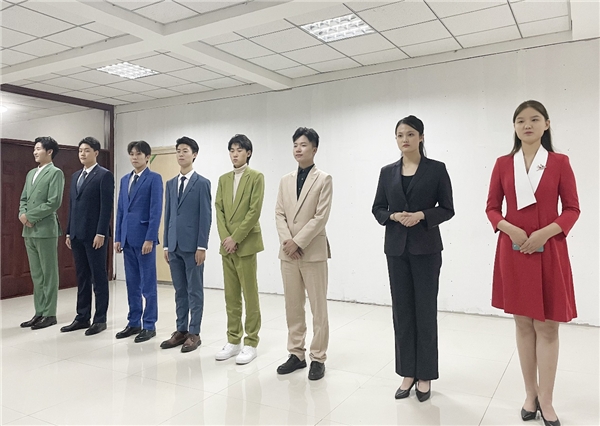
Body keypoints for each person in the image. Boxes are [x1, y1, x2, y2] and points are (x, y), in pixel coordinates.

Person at [486, 100, 579, 426]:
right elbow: (492, 208)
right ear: (514, 127)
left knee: (548, 326)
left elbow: (572, 209)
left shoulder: (559, 162)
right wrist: (509, 228)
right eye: (521, 121)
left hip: (549, 248)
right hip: (513, 250)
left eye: (534, 119)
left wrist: (544, 233)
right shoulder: (503, 164)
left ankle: (547, 401)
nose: (527, 125)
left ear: (546, 124)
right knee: (523, 323)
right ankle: (530, 394)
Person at [372, 115, 454, 401]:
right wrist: (393, 216)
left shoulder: (436, 169)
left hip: (426, 249)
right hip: (396, 250)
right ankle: (407, 372)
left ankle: (425, 374)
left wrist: (421, 215)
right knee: (402, 312)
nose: (404, 139)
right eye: (400, 135)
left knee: (425, 311)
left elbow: (447, 208)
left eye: (410, 134)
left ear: (421, 137)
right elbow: (378, 209)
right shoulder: (387, 172)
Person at [275, 127, 333, 381]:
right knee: (293, 306)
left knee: (318, 307)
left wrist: (298, 242)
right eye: (295, 145)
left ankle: (318, 357)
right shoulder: (285, 180)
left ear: (314, 149)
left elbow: (321, 217)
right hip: (288, 253)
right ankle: (296, 354)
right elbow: (279, 213)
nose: (298, 149)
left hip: (312, 252)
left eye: (304, 145)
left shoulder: (324, 179)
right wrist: (287, 242)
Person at [214, 134, 265, 364]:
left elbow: (254, 211)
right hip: (227, 246)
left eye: (239, 150)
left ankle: (251, 342)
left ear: (248, 153)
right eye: (232, 150)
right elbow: (219, 209)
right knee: (231, 295)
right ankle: (233, 339)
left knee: (250, 294)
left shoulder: (256, 177)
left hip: (245, 244)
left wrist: (235, 238)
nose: (234, 154)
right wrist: (226, 238)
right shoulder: (223, 179)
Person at [161, 136, 212, 353]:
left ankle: (194, 332)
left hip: (193, 247)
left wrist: (202, 246)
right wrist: (166, 245)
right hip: (174, 246)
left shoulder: (202, 183)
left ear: (194, 154)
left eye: (185, 151)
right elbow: (168, 215)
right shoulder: (171, 184)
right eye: (178, 151)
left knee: (195, 291)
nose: (181, 154)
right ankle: (181, 330)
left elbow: (206, 217)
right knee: (179, 290)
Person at [62, 137, 114, 336]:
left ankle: (100, 319)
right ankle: (82, 316)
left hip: (95, 236)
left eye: (86, 150)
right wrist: (69, 231)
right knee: (82, 277)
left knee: (98, 277)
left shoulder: (104, 175)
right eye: (80, 150)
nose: (82, 154)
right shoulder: (76, 176)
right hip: (77, 234)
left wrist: (101, 232)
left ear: (96, 153)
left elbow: (106, 207)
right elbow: (72, 205)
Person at [114, 140, 163, 343]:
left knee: (148, 284)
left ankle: (149, 324)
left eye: (139, 154)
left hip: (144, 239)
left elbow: (155, 210)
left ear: (147, 157)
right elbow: (120, 210)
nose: (134, 157)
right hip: (127, 239)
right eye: (132, 154)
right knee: (132, 283)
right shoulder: (125, 179)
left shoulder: (154, 179)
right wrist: (118, 236)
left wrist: (150, 237)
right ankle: (134, 322)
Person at [18, 136, 65, 330]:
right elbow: (23, 198)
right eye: (34, 149)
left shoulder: (56, 173)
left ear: (49, 151)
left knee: (49, 273)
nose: (35, 152)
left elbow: (54, 202)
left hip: (45, 230)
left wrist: (30, 216)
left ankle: (50, 313)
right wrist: (22, 215)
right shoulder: (31, 173)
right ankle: (39, 312)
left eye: (38, 148)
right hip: (28, 230)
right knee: (36, 275)